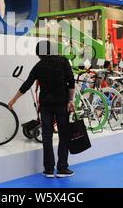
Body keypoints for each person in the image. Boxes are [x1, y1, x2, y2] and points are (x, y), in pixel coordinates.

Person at [8, 40, 75, 178]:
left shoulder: (39, 66)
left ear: (39, 53)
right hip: (62, 104)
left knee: (47, 137)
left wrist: (13, 100)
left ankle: (49, 170)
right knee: (63, 135)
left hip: (45, 106)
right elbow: (71, 82)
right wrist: (70, 100)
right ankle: (62, 168)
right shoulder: (63, 61)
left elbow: (27, 84)